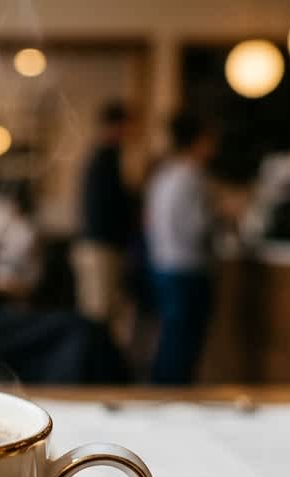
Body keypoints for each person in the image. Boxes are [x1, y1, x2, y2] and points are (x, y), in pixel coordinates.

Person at [145, 111, 217, 385]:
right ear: (199, 141)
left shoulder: (163, 175)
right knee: (182, 343)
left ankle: (161, 394)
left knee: (170, 337)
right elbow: (197, 228)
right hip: (188, 268)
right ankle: (174, 397)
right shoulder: (193, 177)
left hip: (162, 264)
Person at [72, 100, 134, 346]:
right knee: (96, 315)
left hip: (99, 245)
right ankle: (92, 376)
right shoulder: (104, 158)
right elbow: (106, 208)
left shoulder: (105, 156)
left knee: (101, 313)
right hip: (100, 247)